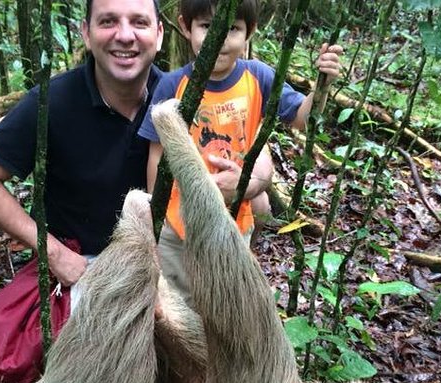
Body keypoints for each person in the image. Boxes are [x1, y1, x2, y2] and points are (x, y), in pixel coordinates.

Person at [0, 0, 164, 383]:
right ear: (86, 32)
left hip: (165, 262)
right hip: (81, 267)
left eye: (139, 22)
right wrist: (53, 253)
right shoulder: (55, 100)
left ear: (160, 32)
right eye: (108, 22)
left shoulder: (179, 95)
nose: (124, 35)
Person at [138, 0, 342, 304]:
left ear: (250, 31)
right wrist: (157, 216)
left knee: (224, 300)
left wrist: (321, 87)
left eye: (231, 28)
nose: (219, 38)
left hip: (234, 222)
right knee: (177, 303)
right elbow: (158, 154)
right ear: (185, 27)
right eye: (207, 26)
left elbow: (301, 117)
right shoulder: (172, 84)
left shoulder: (257, 78)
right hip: (177, 225)